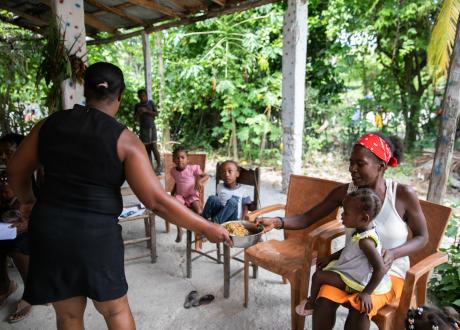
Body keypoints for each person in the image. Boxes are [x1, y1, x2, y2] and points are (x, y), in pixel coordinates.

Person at [8, 62, 231, 330]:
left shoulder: (48, 126)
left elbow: (16, 169)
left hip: (50, 229)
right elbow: (157, 201)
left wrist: (29, 200)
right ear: (121, 95)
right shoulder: (125, 140)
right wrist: (206, 226)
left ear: (85, 90)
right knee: (115, 311)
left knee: (67, 315)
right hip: (96, 236)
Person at [257, 132, 428, 330]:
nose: (351, 169)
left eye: (360, 163)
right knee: (323, 299)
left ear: (381, 166)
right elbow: (306, 218)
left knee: (360, 310)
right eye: (350, 162)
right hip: (350, 267)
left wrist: (393, 253)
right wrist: (277, 221)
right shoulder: (346, 192)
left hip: (388, 274)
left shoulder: (402, 195)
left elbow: (422, 237)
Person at [296, 188, 391, 324]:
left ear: (364, 218)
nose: (341, 216)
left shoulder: (366, 242)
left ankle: (311, 303)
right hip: (354, 272)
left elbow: (380, 269)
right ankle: (313, 302)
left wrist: (366, 293)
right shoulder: (362, 229)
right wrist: (330, 257)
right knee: (323, 272)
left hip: (357, 281)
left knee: (318, 276)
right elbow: (350, 248)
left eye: (345, 213)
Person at [0, 133, 33, 323]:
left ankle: (31, 293)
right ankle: (5, 286)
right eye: (1, 154)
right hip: (13, 224)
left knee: (18, 243)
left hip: (37, 225)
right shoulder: (4, 174)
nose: (4, 157)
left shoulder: (38, 172)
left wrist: (27, 223)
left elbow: (50, 204)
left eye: (8, 152)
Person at [170, 145, 209, 243]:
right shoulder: (173, 171)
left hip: (192, 195)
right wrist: (172, 192)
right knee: (175, 210)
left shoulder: (192, 168)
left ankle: (203, 231)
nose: (180, 160)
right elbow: (177, 182)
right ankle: (180, 231)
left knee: (199, 211)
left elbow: (206, 176)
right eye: (177, 158)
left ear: (187, 159)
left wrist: (199, 181)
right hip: (180, 196)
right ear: (173, 160)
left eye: (182, 157)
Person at [134, 89, 161, 175]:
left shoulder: (150, 103)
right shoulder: (137, 106)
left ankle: (159, 166)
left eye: (144, 95)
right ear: (138, 97)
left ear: (146, 95)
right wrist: (138, 113)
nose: (142, 97)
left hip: (151, 127)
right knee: (146, 149)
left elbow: (156, 114)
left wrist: (146, 111)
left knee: (154, 146)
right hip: (143, 129)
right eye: (140, 96)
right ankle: (150, 168)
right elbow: (135, 119)